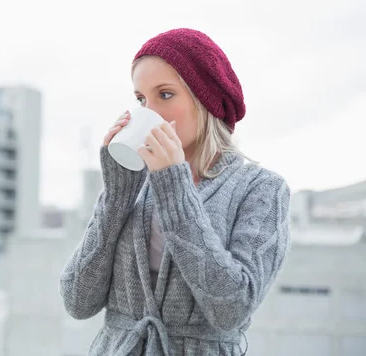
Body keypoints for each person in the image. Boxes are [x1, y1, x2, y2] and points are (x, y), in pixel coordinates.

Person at [59, 28, 291, 356]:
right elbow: (77, 301)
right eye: (141, 100)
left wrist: (173, 187)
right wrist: (115, 197)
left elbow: (232, 310)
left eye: (164, 95)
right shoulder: (133, 187)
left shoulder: (261, 190)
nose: (148, 111)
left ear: (205, 100)